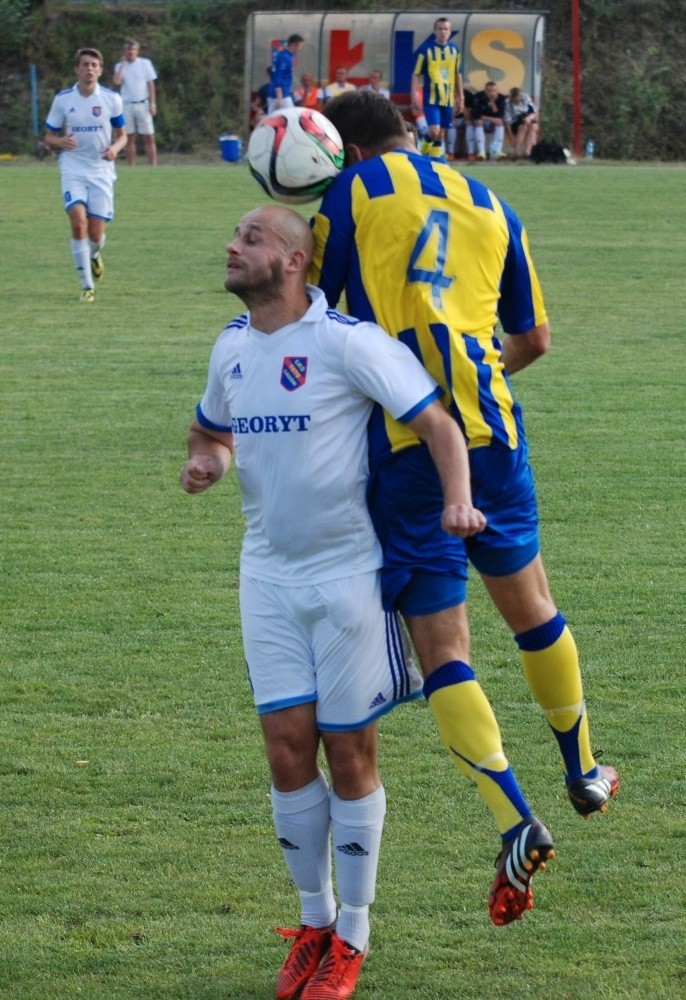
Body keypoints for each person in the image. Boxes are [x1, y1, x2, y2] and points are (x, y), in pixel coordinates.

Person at [311, 90, 619, 924]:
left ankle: (516, 820)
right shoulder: (496, 201)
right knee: (534, 609)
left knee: (443, 647)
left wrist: (415, 399)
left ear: (344, 149)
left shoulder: (350, 193)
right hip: (496, 434)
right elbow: (535, 339)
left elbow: (316, 323)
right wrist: (470, 378)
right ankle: (584, 767)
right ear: (409, 133)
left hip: (411, 454)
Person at [180, 204, 486, 999]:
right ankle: (312, 923)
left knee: (348, 752)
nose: (231, 243)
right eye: (235, 232)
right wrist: (208, 463)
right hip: (267, 577)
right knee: (285, 748)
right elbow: (209, 431)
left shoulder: (348, 342)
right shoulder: (232, 348)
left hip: (348, 575)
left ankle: (353, 934)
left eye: (248, 237)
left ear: (291, 261)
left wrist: (458, 501)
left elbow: (441, 426)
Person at [43, 47, 126, 302]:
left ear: (100, 70)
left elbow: (123, 136)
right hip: (73, 169)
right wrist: (59, 142)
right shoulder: (63, 99)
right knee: (78, 223)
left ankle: (94, 255)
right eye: (85, 64)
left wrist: (114, 147)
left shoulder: (112, 99)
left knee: (96, 236)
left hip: (101, 171)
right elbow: (48, 137)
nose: (89, 69)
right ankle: (87, 286)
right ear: (76, 69)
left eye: (94, 65)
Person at [411, 16, 464, 160]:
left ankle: (433, 162)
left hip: (448, 98)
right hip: (431, 98)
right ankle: (420, 155)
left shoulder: (455, 50)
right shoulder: (426, 49)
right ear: (435, 31)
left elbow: (457, 74)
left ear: (450, 31)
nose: (443, 32)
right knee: (433, 131)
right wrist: (414, 95)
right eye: (440, 29)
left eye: (446, 29)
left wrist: (461, 97)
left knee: (441, 133)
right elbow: (416, 74)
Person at [112, 38, 158, 166]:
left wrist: (152, 104)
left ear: (137, 51)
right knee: (129, 137)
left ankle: (153, 166)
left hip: (143, 104)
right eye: (128, 49)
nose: (131, 52)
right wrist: (122, 64)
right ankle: (131, 165)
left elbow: (151, 85)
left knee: (149, 136)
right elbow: (116, 81)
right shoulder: (119, 66)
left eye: (133, 49)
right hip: (126, 104)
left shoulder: (145, 63)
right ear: (124, 51)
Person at [268, 34, 304, 113]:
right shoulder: (284, 57)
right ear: (294, 45)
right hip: (280, 95)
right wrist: (279, 96)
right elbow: (278, 75)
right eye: (300, 46)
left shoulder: (289, 56)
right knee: (289, 116)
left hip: (285, 92)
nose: (300, 49)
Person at [472, 81, 507, 160]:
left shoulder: (501, 98)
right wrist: (486, 118)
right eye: (489, 91)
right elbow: (475, 115)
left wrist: (493, 104)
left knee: (500, 123)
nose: (492, 93)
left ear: (497, 91)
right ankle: (481, 152)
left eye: (494, 91)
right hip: (482, 122)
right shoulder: (478, 97)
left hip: (492, 122)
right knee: (478, 122)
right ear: (485, 91)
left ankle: (496, 151)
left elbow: (500, 116)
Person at [504, 87, 539, 159]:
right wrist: (511, 138)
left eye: (519, 99)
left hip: (527, 118)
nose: (517, 101)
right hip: (515, 121)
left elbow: (535, 112)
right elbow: (508, 123)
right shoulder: (508, 103)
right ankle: (516, 152)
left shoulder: (526, 98)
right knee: (523, 127)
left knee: (534, 126)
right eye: (515, 100)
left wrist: (529, 118)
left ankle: (527, 151)